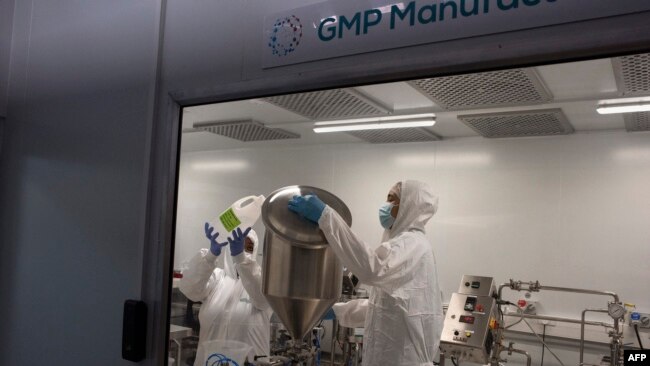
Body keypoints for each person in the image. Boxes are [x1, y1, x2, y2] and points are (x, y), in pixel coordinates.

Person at [288, 180, 444, 366]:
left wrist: (326, 217)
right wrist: (336, 311)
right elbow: (385, 308)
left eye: (391, 200)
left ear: (408, 205)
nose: (385, 206)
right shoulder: (407, 245)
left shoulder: (412, 245)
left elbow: (371, 269)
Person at [179, 225, 272, 365]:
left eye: (248, 247)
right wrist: (211, 254)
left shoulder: (263, 281)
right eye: (236, 245)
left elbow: (262, 299)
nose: (241, 250)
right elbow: (190, 289)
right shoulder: (217, 279)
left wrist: (240, 257)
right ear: (228, 247)